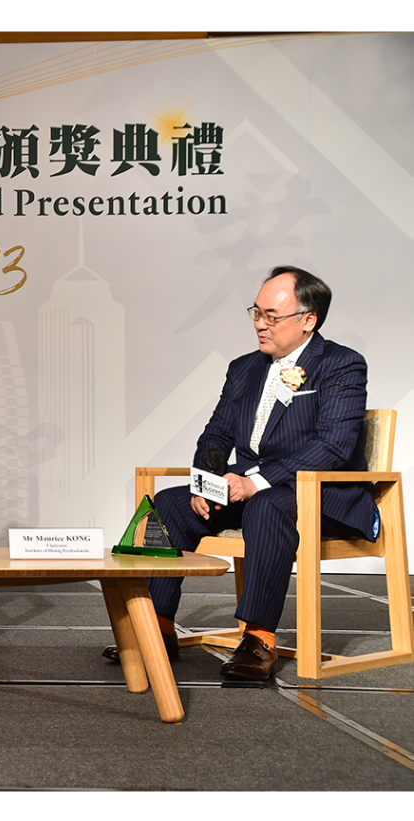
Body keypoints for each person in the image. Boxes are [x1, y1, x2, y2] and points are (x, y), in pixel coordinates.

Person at [105, 266, 377, 680]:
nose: (260, 325)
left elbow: (332, 446)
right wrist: (208, 483)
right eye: (256, 313)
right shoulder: (244, 367)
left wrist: (255, 483)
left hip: (318, 493)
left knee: (266, 504)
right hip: (253, 491)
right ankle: (156, 626)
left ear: (309, 320)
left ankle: (259, 638)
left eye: (272, 316)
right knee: (170, 505)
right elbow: (216, 433)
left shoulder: (341, 364)